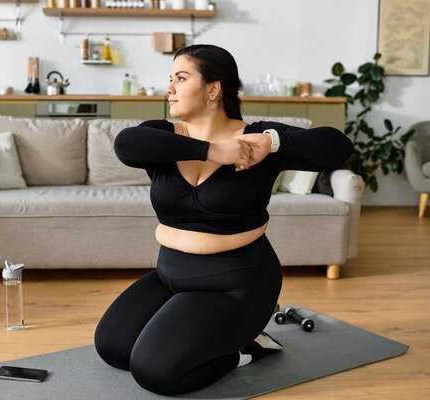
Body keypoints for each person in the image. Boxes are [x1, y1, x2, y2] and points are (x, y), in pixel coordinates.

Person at [93, 44, 354, 396]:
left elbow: (337, 147)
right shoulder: (164, 137)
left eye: (181, 78)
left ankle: (242, 351)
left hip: (236, 286)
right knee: (112, 347)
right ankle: (214, 336)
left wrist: (272, 142)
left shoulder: (256, 139)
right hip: (170, 276)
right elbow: (126, 144)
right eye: (170, 79)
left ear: (213, 89)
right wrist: (211, 150)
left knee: (153, 371)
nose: (169, 87)